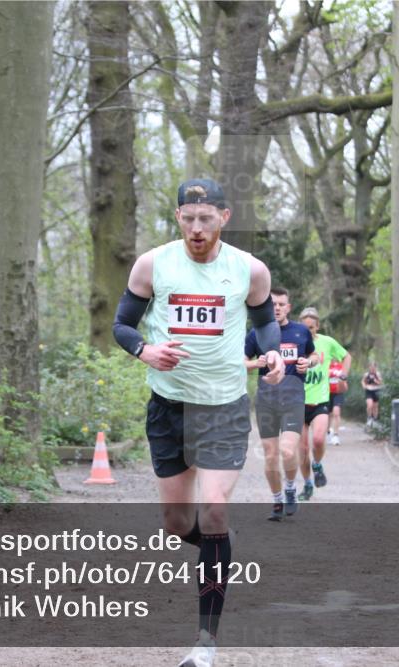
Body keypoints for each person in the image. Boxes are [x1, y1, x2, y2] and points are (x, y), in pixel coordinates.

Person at [112, 178, 283, 667]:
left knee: (212, 510)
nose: (196, 228)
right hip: (169, 407)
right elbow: (122, 324)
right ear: (179, 218)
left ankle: (205, 643)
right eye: (187, 218)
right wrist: (145, 349)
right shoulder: (153, 263)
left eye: (205, 218)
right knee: (177, 524)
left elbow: (264, 321)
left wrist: (270, 352)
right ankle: (220, 544)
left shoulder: (248, 270)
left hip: (224, 408)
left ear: (224, 218)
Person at [244, 287, 318, 521]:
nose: (276, 308)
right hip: (266, 401)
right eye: (272, 304)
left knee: (287, 450)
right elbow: (241, 362)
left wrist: (309, 362)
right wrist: (256, 364)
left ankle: (289, 488)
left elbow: (315, 356)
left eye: (281, 304)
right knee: (270, 454)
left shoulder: (300, 331)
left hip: (293, 399)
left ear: (288, 307)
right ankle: (277, 499)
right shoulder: (256, 333)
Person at [297, 307, 350, 501]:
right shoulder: (294, 343)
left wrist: (344, 373)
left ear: (317, 326)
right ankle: (308, 484)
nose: (308, 331)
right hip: (298, 403)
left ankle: (317, 464)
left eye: (311, 327)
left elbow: (346, 356)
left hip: (319, 400)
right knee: (302, 450)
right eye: (305, 327)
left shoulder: (327, 343)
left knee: (318, 440)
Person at [326, 358, 348, 446]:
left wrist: (344, 385)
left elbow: (344, 380)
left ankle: (336, 435)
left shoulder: (341, 366)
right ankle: (327, 432)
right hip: (327, 393)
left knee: (336, 412)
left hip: (338, 393)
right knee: (328, 415)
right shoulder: (325, 365)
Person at [362, 362, 384, 429]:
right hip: (369, 390)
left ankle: (375, 420)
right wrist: (364, 386)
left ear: (375, 367)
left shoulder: (378, 374)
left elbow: (381, 382)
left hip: (376, 390)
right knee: (369, 405)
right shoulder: (366, 374)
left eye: (373, 367)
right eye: (370, 367)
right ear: (369, 367)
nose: (372, 368)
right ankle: (369, 418)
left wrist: (375, 380)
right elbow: (363, 381)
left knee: (375, 407)